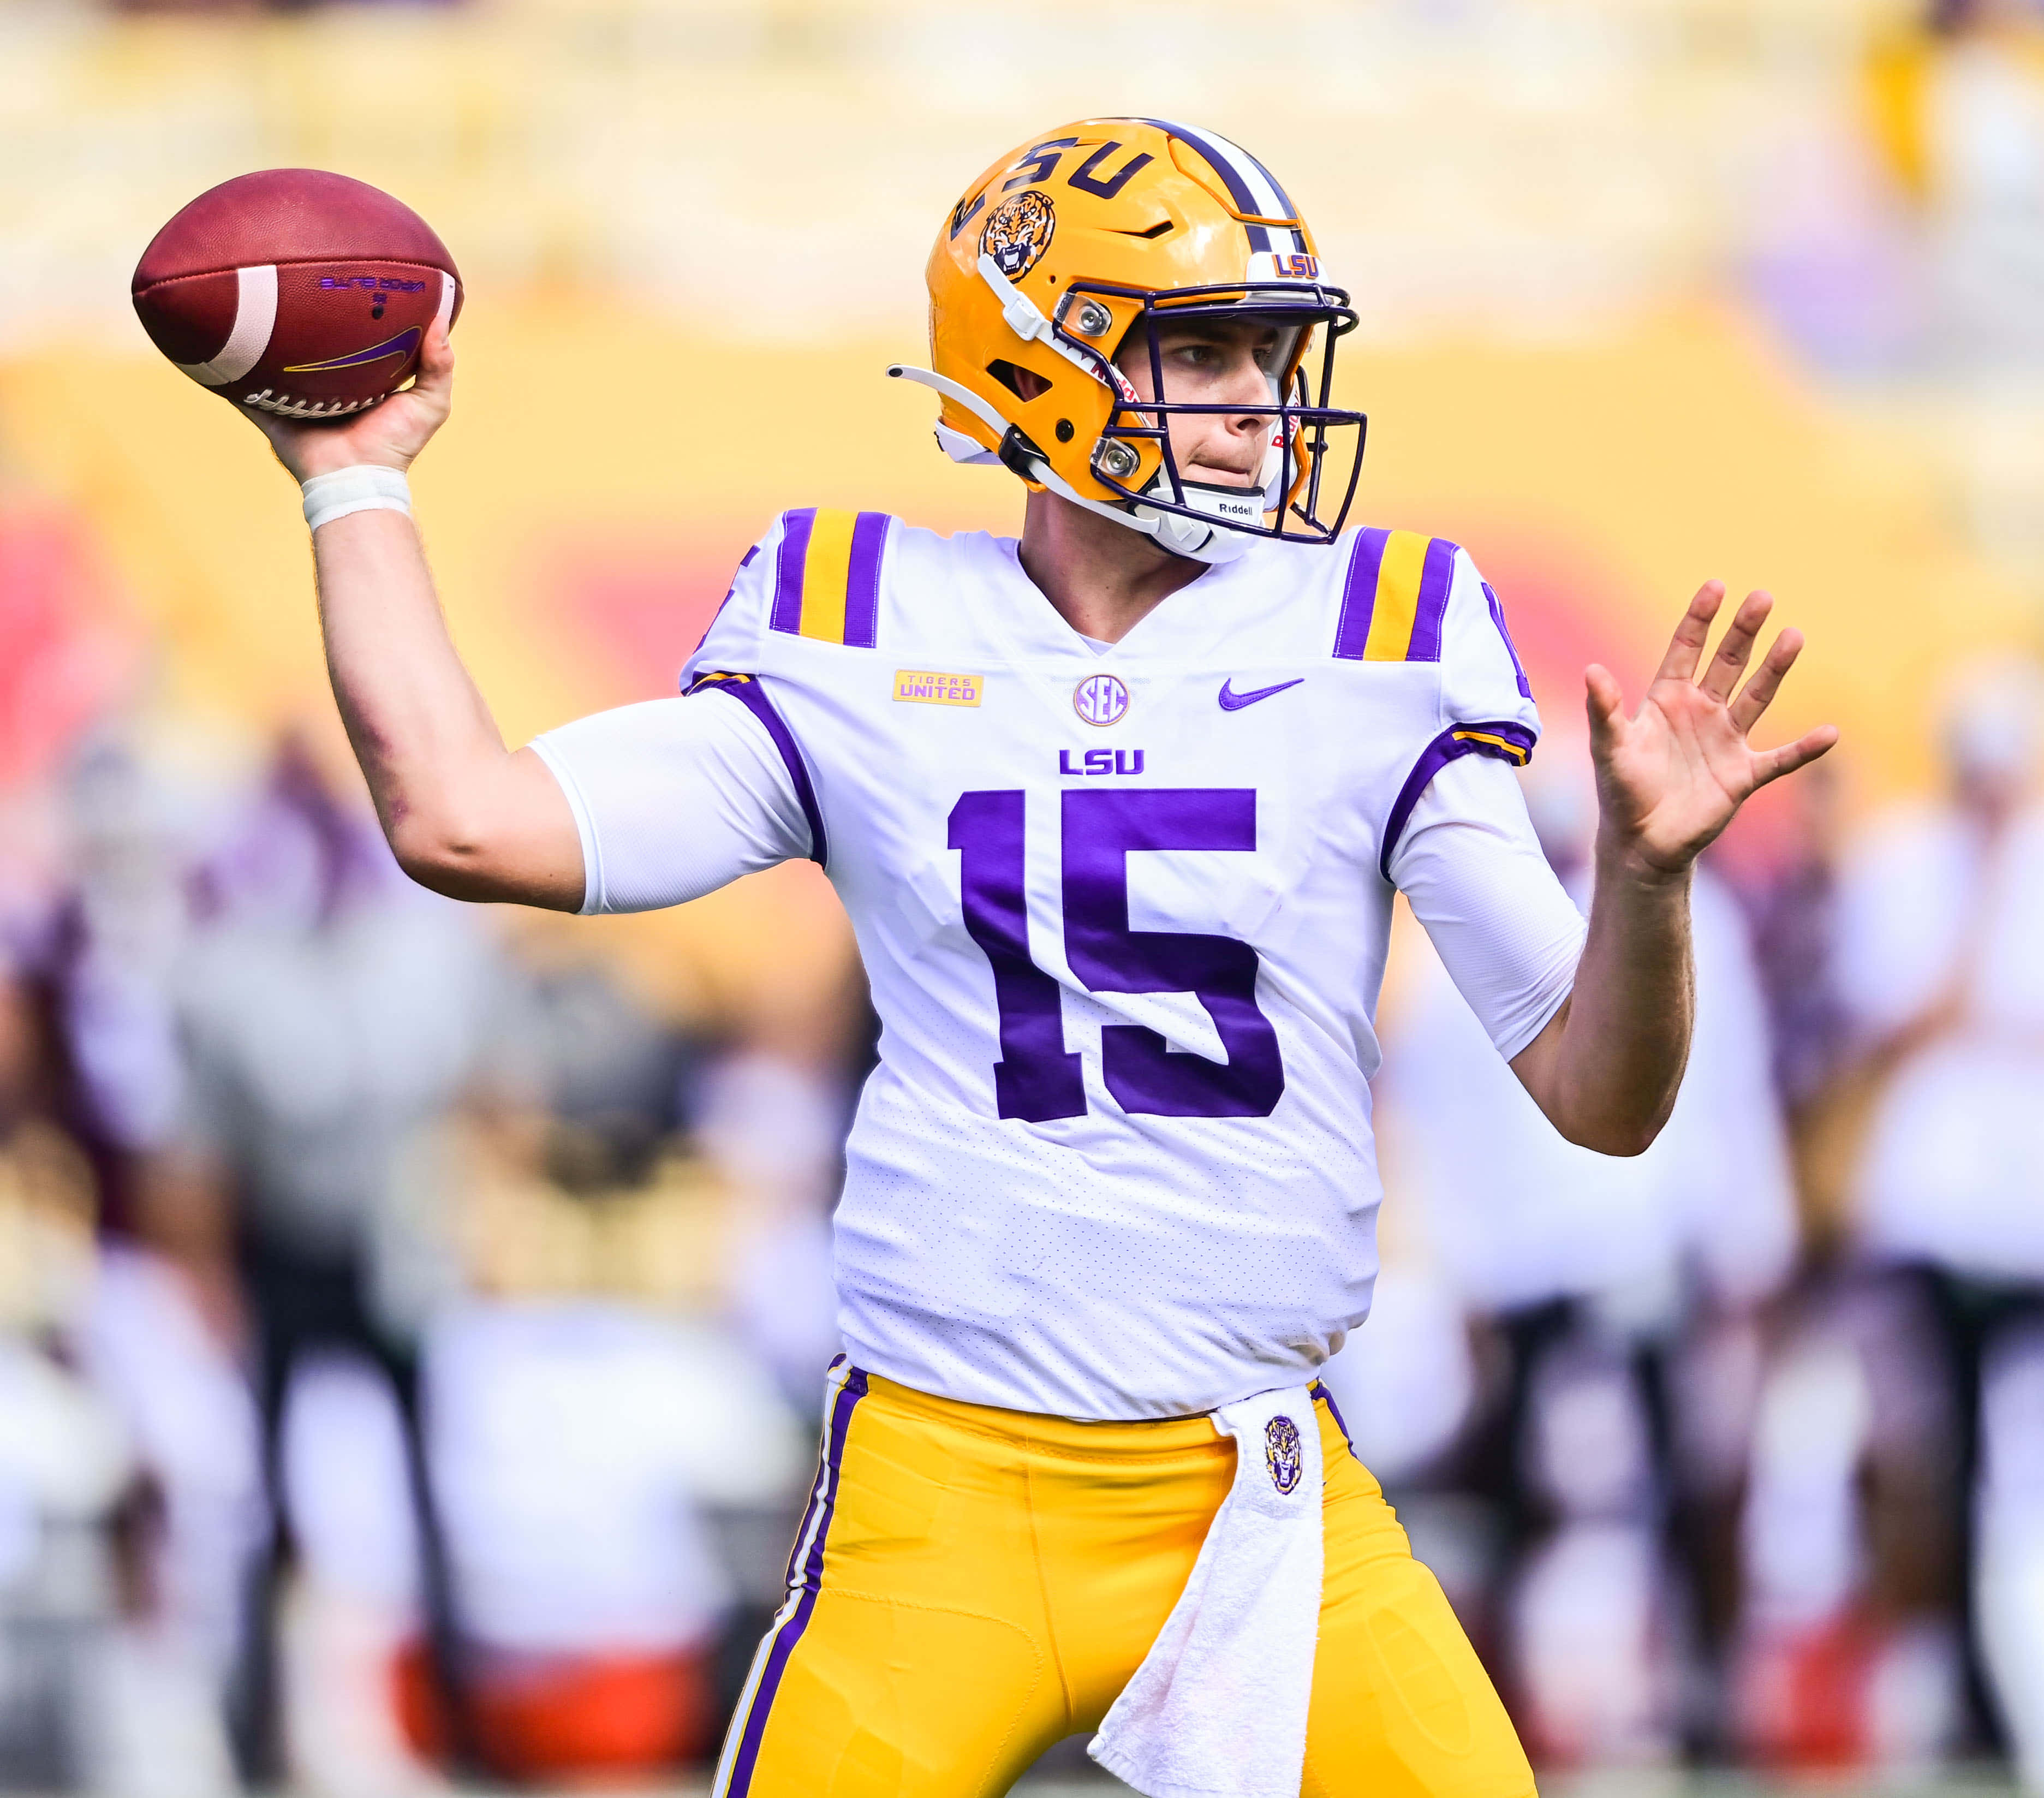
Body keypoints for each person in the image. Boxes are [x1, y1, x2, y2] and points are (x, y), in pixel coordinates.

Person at [229, 118, 1834, 1798]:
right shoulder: (855, 617)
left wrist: (1643, 883)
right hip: (938, 1496)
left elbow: (1599, 1100)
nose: (1258, 400)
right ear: (1036, 362)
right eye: (1200, 352)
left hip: (1253, 1500)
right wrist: (354, 479)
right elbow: (464, 820)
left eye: (1268, 354)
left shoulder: (1381, 631)